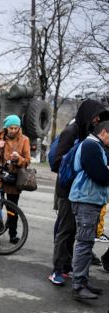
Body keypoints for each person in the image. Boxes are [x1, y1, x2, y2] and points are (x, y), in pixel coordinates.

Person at [51, 100, 109, 285]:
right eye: (96, 116)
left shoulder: (87, 133)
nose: (97, 120)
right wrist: (80, 166)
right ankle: (58, 269)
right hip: (67, 189)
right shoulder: (71, 132)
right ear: (87, 114)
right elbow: (57, 162)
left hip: (79, 190)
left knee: (75, 231)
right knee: (66, 230)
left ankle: (67, 266)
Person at [68, 120, 109, 300]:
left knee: (87, 243)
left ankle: (83, 281)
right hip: (86, 200)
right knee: (84, 243)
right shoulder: (92, 146)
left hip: (88, 199)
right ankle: (78, 285)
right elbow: (100, 175)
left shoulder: (94, 145)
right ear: (105, 132)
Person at [0, 115, 31, 245]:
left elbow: (27, 161)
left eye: (15, 127)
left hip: (13, 177)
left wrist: (18, 159)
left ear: (19, 127)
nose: (13, 130)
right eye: (10, 128)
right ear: (6, 127)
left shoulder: (24, 140)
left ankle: (13, 234)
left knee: (12, 208)